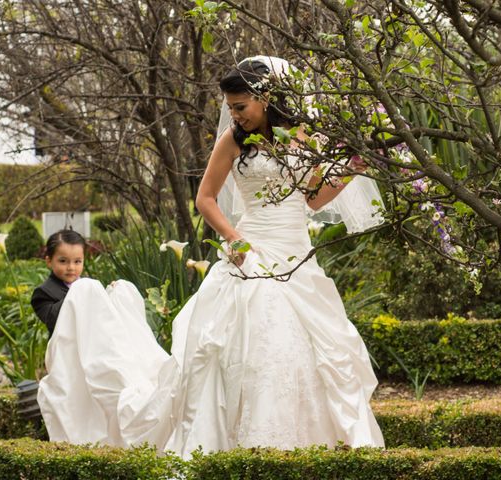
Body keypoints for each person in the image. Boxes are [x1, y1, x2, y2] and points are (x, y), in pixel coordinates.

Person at [37, 57, 384, 458]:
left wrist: (352, 169)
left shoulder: (302, 137)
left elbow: (312, 198)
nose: (234, 114)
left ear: (266, 98)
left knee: (314, 351)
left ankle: (316, 448)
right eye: (231, 108)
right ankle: (241, 447)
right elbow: (205, 199)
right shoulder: (234, 141)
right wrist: (235, 240)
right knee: (247, 346)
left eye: (241, 106)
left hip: (296, 255)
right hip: (250, 252)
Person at [31, 229, 86, 336]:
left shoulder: (86, 284)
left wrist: (109, 293)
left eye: (77, 261)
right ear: (49, 261)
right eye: (63, 261)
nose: (71, 267)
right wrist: (76, 293)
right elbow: (53, 320)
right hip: (65, 349)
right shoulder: (43, 293)